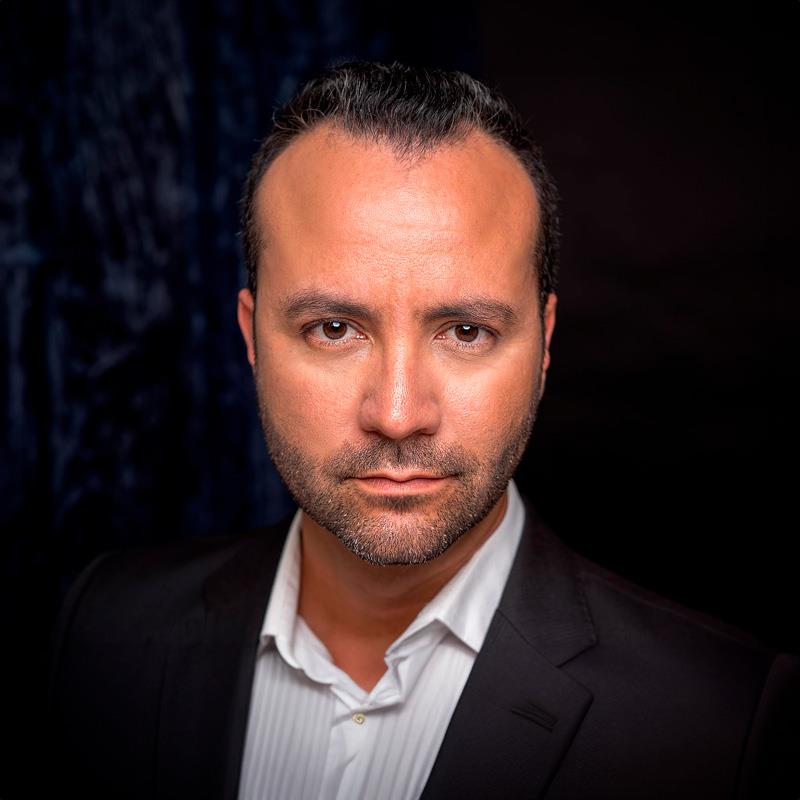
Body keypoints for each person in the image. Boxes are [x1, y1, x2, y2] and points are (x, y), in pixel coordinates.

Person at [49, 62, 798, 799]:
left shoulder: (719, 726)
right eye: (333, 328)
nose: (399, 414)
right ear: (251, 338)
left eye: (466, 331)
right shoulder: (103, 631)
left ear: (544, 343)